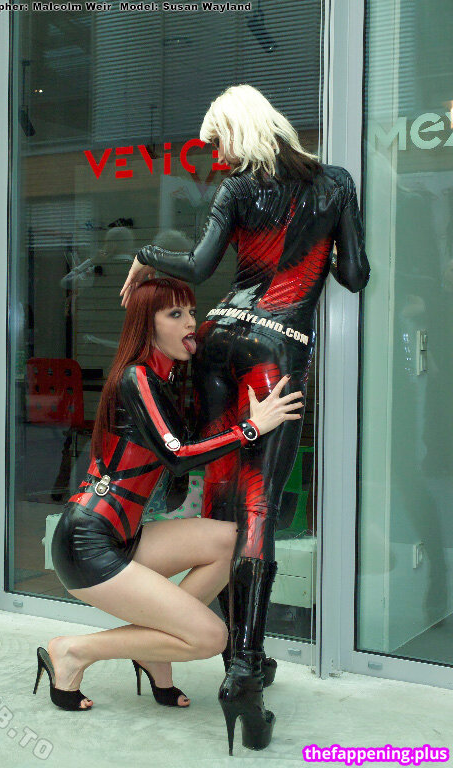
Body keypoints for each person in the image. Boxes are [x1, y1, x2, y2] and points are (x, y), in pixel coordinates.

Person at [120, 83, 371, 754]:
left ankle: (240, 651)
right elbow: (356, 276)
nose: (219, 155)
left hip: (218, 339)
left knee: (223, 495)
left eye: (220, 141)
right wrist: (322, 249)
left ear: (242, 130)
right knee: (257, 508)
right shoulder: (336, 183)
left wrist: (145, 255)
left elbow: (199, 266)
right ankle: (243, 671)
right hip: (274, 347)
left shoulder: (236, 190)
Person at [34, 276, 304, 719]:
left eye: (191, 312)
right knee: (211, 638)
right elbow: (178, 456)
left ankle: (153, 650)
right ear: (148, 324)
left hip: (124, 537)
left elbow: (193, 445)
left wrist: (248, 416)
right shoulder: (136, 377)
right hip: (87, 544)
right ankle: (74, 651)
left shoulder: (164, 382)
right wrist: (252, 428)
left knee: (232, 539)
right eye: (175, 314)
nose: (190, 323)